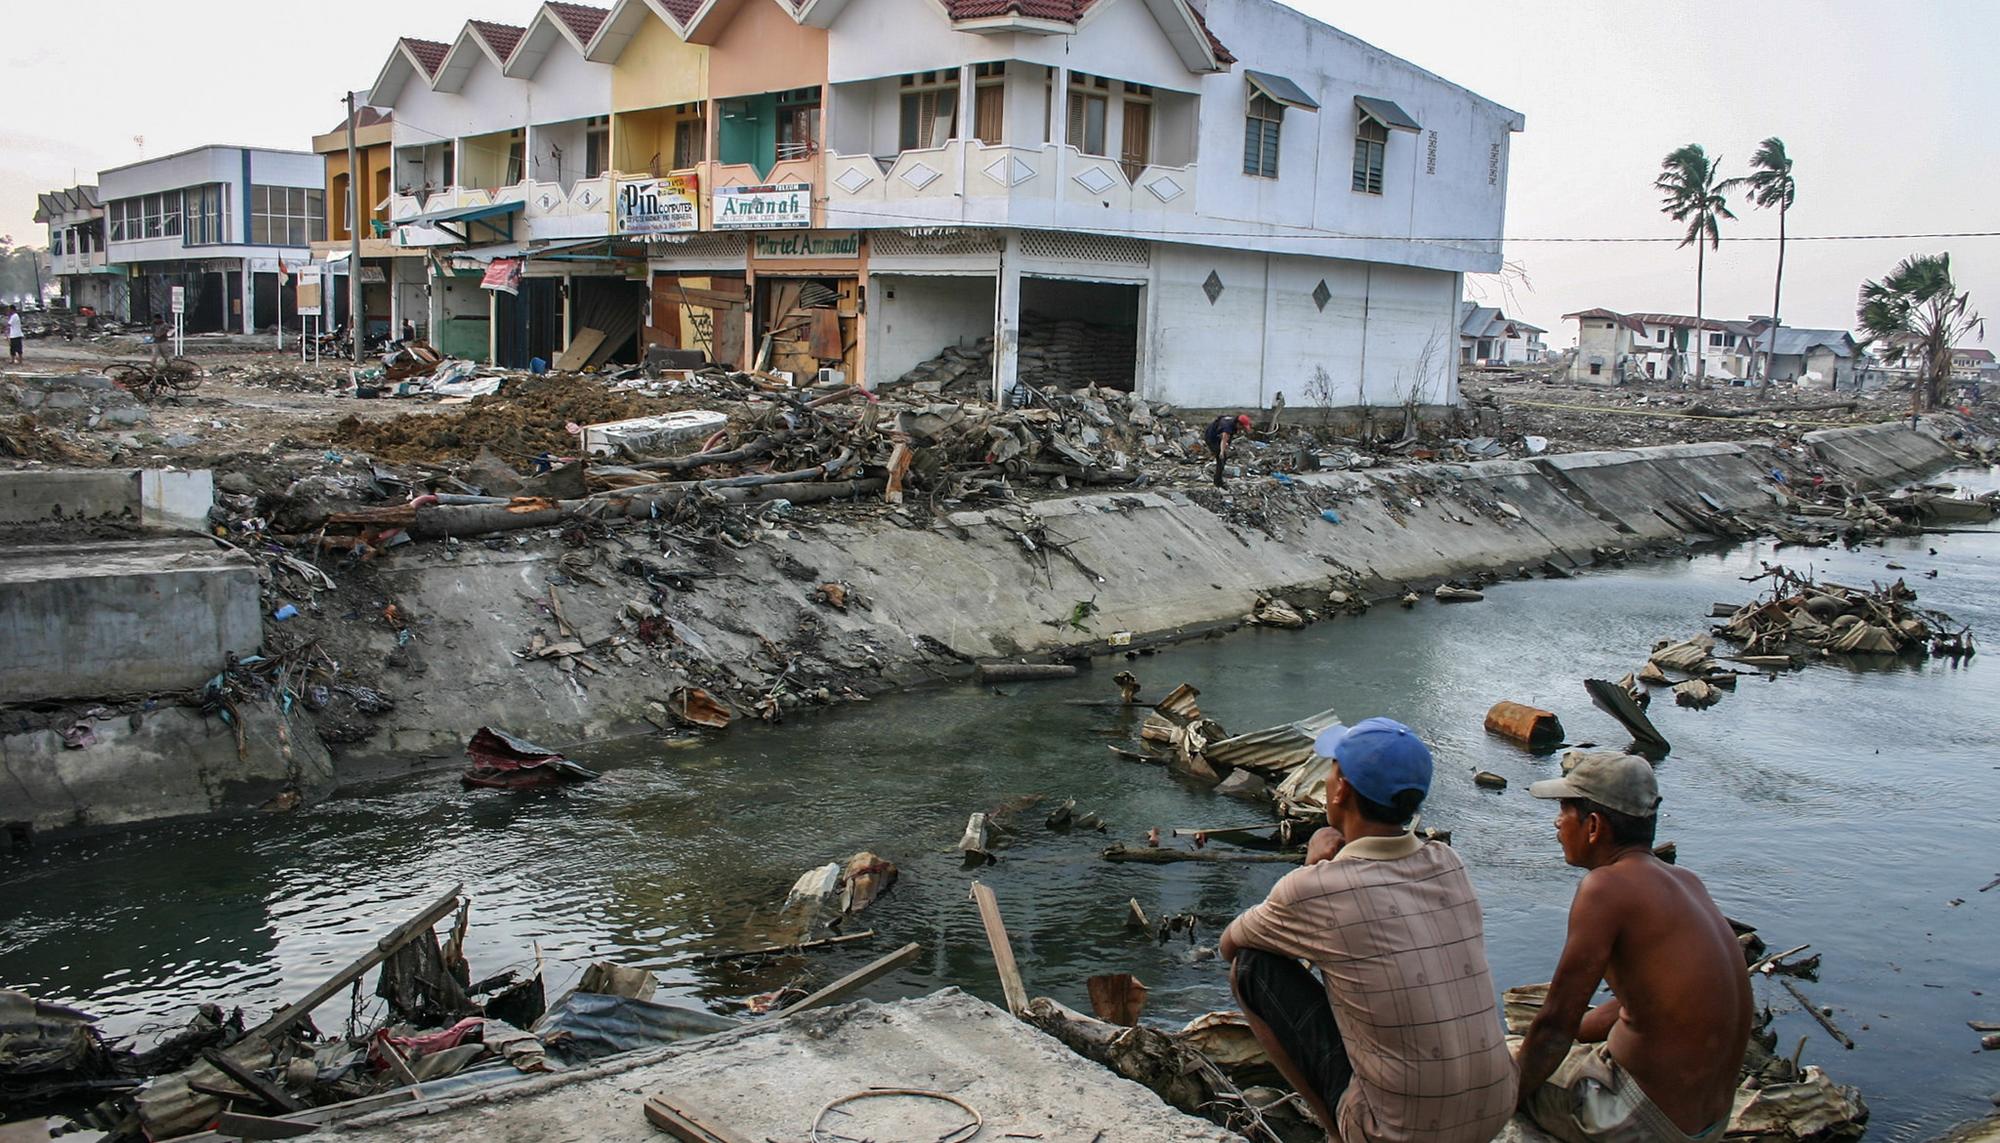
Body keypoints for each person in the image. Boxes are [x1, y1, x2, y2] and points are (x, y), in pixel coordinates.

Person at [1220, 718, 1516, 1143]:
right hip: (1494, 1111)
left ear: (1340, 790)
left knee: (1251, 966)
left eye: (1332, 769)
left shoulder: (1316, 887)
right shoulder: (1448, 863)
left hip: (1396, 1134)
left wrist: (1312, 868)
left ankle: (1339, 1132)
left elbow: (1230, 944)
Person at [1516, 751, 1752, 1143]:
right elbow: (1648, 1002)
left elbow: (1555, 1026)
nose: (1557, 823)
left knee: (1499, 1068)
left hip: (1641, 1122)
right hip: (1707, 1124)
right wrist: (1581, 1031)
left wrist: (1500, 1099)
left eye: (1564, 811)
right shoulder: (1687, 882)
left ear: (1593, 826)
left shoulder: (1604, 889)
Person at [1204, 412, 1252, 487]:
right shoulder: (1228, 427)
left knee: (1223, 457)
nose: (1242, 429)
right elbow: (1224, 439)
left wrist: (1227, 445)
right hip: (1211, 438)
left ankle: (1218, 480)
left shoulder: (1232, 423)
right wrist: (1222, 452)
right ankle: (1218, 482)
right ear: (1238, 424)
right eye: (1242, 427)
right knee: (1221, 459)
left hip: (1218, 435)